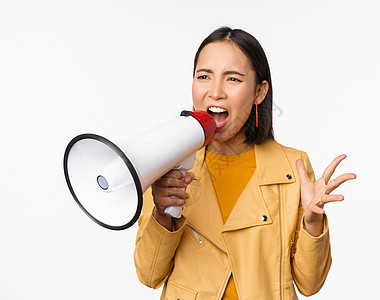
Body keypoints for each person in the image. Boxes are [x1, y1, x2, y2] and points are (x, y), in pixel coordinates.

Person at [134, 26, 356, 299]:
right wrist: (162, 213)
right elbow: (149, 275)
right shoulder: (166, 163)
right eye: (204, 76)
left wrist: (312, 223)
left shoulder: (293, 166)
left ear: (259, 92)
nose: (215, 92)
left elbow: (310, 284)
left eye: (233, 79)